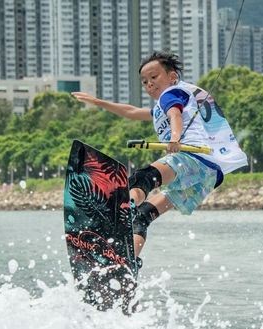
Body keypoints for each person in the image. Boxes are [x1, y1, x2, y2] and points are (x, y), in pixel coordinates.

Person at [72, 51, 247, 259]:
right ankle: (125, 262)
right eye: (145, 81)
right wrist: (100, 103)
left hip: (192, 160)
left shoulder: (170, 95)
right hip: (206, 176)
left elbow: (175, 114)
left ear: (172, 77)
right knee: (143, 216)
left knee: (143, 178)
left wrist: (175, 138)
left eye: (154, 77)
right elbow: (132, 112)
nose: (149, 84)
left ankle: (123, 210)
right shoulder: (159, 108)